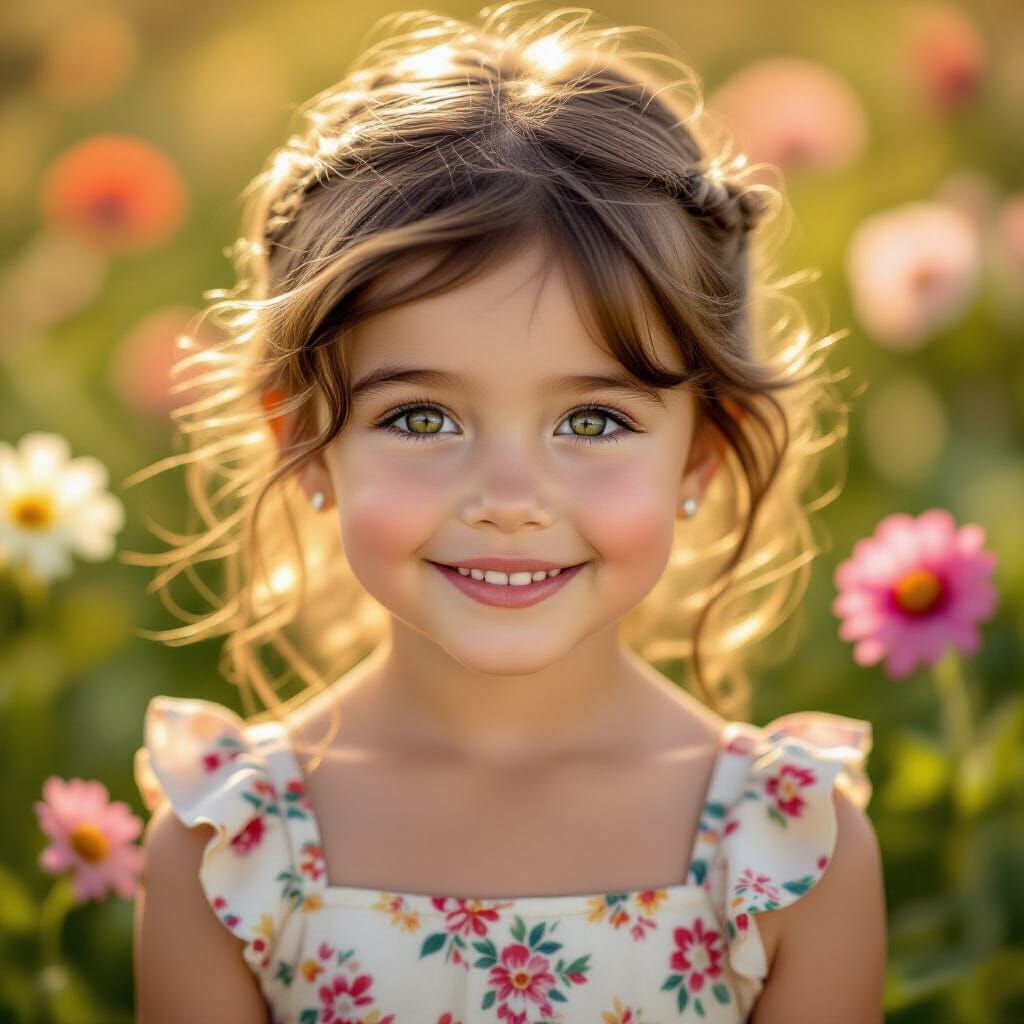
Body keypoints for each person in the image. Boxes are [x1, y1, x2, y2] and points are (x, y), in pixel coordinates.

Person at [129, 4, 886, 1022]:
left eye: (593, 419)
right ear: (301, 436)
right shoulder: (230, 850)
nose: (509, 502)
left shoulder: (787, 847)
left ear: (701, 450)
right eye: (423, 414)